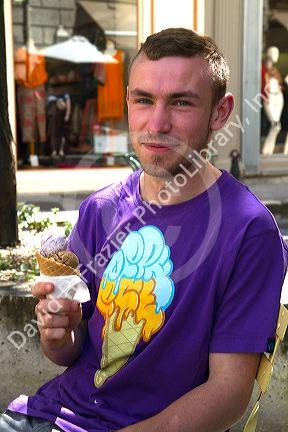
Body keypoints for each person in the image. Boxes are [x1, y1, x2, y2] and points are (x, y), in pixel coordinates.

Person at [2, 28, 288, 432]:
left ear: (220, 113)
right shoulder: (99, 209)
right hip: (53, 413)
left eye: (181, 102)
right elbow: (73, 351)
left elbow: (229, 392)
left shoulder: (248, 230)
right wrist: (55, 331)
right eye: (143, 100)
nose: (157, 123)